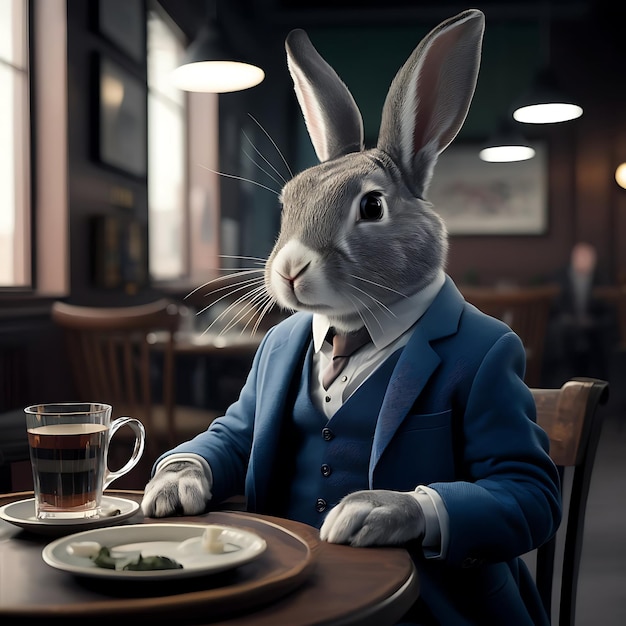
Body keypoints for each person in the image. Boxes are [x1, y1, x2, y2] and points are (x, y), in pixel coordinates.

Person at [142, 11, 561, 625]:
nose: (291, 262)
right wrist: (191, 463)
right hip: (287, 594)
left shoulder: (482, 348)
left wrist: (422, 511)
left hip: (424, 607)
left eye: (366, 208)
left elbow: (531, 496)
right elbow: (239, 432)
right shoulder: (284, 342)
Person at [545, 242, 617, 386]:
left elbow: (608, 307)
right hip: (567, 327)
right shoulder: (559, 278)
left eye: (587, 257)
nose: (584, 261)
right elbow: (554, 307)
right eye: (580, 257)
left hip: (594, 326)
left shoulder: (602, 278)